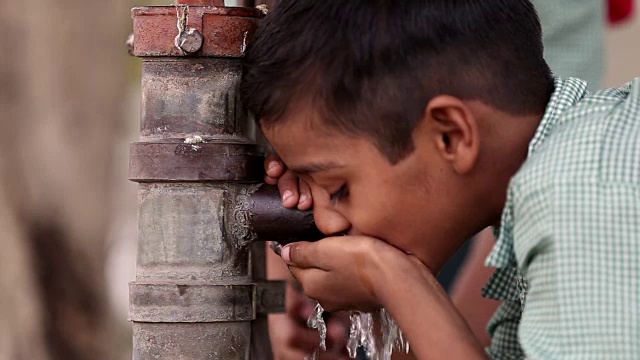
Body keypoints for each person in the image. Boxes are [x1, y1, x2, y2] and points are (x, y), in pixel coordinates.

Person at [241, 0, 640, 359]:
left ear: (451, 135)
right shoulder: (554, 173)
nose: (326, 223)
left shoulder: (580, 194)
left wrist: (391, 278)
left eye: (339, 189)